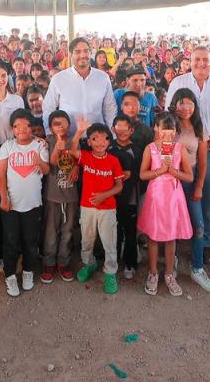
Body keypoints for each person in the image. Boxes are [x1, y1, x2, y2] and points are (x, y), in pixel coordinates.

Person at [164, 46, 210, 264]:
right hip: (179, 154)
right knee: (177, 199)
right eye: (197, 59)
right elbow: (169, 118)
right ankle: (176, 244)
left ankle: (205, 244)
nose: (201, 63)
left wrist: (206, 144)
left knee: (208, 200)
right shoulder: (178, 83)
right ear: (190, 60)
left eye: (206, 60)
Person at [59, 119, 125, 294]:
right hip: (87, 207)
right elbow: (72, 150)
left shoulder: (113, 161)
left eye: (105, 138)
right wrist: (79, 131)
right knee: (87, 239)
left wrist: (104, 195)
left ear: (109, 141)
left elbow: (119, 186)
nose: (100, 142)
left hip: (108, 208)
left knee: (109, 241)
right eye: (95, 138)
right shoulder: (86, 157)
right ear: (89, 142)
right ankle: (89, 263)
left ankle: (110, 272)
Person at [138, 113, 193, 296]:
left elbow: (189, 176)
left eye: (171, 130)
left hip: (173, 198)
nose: (167, 134)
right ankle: (153, 272)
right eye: (164, 129)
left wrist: (174, 171)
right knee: (153, 237)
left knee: (171, 238)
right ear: (157, 128)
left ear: (176, 131)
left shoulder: (179, 148)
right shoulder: (150, 148)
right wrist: (161, 170)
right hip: (156, 197)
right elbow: (143, 174)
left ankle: (169, 273)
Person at [0, 109, 49, 297]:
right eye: (17, 126)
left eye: (26, 126)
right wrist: (4, 198)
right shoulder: (7, 146)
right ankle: (10, 275)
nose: (22, 130)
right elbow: (1, 174)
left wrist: (39, 161)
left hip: (33, 203)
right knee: (10, 240)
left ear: (32, 127)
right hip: (11, 204)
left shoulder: (39, 146)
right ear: (12, 128)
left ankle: (28, 271)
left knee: (30, 240)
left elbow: (46, 170)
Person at [170, 88, 210, 292]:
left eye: (190, 103)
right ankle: (170, 264)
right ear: (175, 104)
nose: (186, 107)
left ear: (195, 106)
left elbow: (203, 162)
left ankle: (197, 268)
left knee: (198, 225)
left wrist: (199, 186)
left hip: (191, 182)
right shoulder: (169, 124)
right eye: (181, 103)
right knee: (171, 224)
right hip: (171, 181)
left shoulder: (199, 128)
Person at [43, 37, 117, 138]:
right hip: (69, 139)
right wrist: (50, 134)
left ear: (90, 53)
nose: (82, 55)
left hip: (97, 140)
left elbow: (110, 109)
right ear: (70, 54)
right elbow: (48, 108)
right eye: (77, 52)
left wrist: (112, 136)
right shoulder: (58, 79)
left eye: (86, 51)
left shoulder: (103, 77)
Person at [44, 110, 79, 284]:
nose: (60, 126)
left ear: (69, 125)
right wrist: (58, 147)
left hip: (71, 196)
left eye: (63, 123)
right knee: (51, 232)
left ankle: (64, 262)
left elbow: (78, 158)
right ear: (50, 128)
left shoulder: (73, 141)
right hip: (53, 196)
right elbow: (52, 162)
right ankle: (49, 263)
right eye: (56, 124)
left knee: (68, 231)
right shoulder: (48, 141)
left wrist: (77, 166)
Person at [109, 115, 141, 280]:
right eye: (118, 128)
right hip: (111, 198)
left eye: (125, 128)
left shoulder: (137, 149)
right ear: (113, 129)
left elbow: (142, 171)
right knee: (113, 232)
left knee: (130, 232)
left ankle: (130, 263)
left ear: (132, 130)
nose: (122, 131)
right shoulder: (107, 147)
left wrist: (130, 174)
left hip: (131, 198)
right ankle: (112, 262)